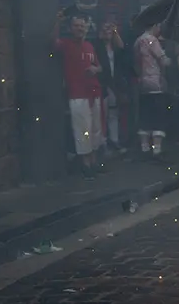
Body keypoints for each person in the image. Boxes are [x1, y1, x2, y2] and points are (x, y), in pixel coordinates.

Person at [53, 12, 103, 180]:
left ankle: (94, 162)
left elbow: (99, 66)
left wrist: (95, 69)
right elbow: (52, 42)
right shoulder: (66, 44)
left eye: (82, 26)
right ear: (71, 28)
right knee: (83, 130)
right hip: (77, 94)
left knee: (96, 129)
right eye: (76, 26)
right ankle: (86, 164)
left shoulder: (90, 46)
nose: (80, 29)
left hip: (94, 92)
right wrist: (57, 23)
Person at [133, 23, 170, 159]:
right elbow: (163, 61)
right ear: (154, 25)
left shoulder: (138, 41)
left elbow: (136, 63)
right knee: (157, 115)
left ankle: (144, 148)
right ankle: (157, 149)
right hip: (156, 82)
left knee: (145, 116)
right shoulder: (152, 40)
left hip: (143, 83)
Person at [93, 22, 128, 155]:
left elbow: (121, 46)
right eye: (105, 28)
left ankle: (114, 140)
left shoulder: (114, 46)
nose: (108, 31)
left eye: (109, 28)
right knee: (102, 114)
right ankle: (103, 142)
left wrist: (114, 32)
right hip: (102, 83)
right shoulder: (97, 46)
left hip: (115, 83)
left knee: (114, 113)